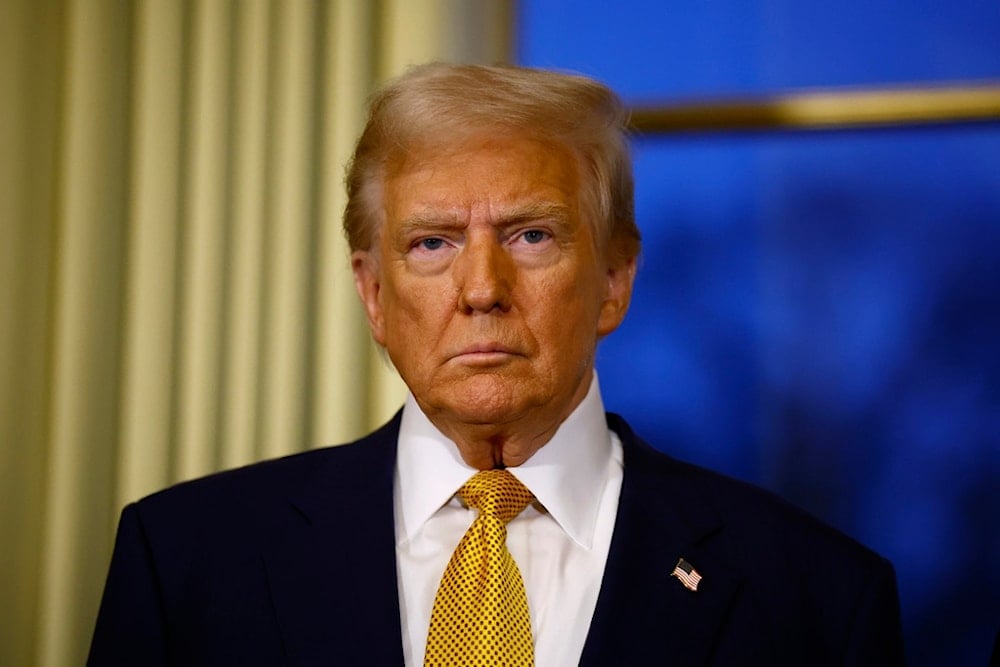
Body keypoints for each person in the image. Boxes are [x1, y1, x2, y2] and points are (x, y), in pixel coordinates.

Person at [89, 63, 904, 666]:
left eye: (531, 235)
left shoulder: (816, 598)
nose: (482, 288)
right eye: (433, 242)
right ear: (374, 293)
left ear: (614, 281)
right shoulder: (187, 561)